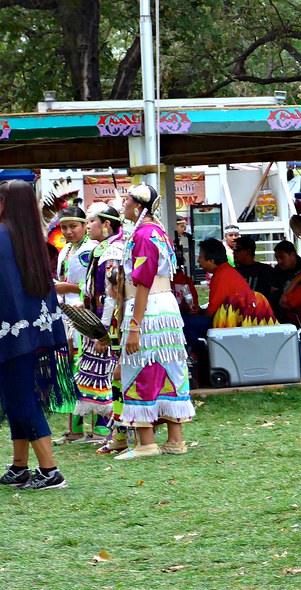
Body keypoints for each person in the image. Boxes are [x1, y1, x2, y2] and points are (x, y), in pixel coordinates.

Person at [0, 180, 74, 490]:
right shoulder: (31, 239)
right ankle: (20, 466)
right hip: (34, 331)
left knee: (21, 399)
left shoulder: (3, 236)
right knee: (17, 397)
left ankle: (50, 470)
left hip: (11, 333)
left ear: (7, 204)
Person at [115, 183, 195, 459]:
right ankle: (175, 440)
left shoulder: (144, 235)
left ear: (138, 206)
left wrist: (135, 326)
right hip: (164, 308)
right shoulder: (157, 232)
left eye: (126, 201)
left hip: (147, 310)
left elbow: (143, 283)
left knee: (141, 365)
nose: (123, 205)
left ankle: (146, 442)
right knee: (167, 366)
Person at [70, 203, 127, 451]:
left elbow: (112, 295)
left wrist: (102, 331)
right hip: (101, 321)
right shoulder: (103, 249)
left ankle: (115, 432)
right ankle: (115, 433)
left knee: (111, 377)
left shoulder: (113, 251)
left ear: (106, 224)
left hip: (110, 324)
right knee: (104, 376)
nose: (88, 225)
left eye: (91, 221)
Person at [53, 205, 99, 443]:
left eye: (73, 226)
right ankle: (75, 430)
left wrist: (69, 288)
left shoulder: (94, 250)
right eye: (64, 227)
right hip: (66, 315)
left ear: (85, 226)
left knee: (92, 368)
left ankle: (101, 430)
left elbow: (97, 287)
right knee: (71, 369)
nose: (69, 232)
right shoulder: (65, 251)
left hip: (87, 315)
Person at [233, 236, 274, 301]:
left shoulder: (266, 271)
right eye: (234, 249)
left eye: (237, 250)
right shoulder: (233, 272)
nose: (234, 252)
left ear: (248, 252)